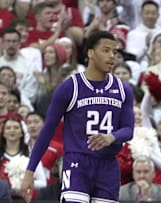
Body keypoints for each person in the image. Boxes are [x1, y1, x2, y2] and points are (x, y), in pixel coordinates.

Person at [20, 31, 135, 203]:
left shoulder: (123, 89)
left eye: (115, 52)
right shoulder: (69, 87)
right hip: (77, 163)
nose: (112, 56)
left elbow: (129, 130)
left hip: (108, 164)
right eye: (106, 50)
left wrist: (112, 137)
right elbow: (47, 131)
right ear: (90, 53)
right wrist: (29, 171)